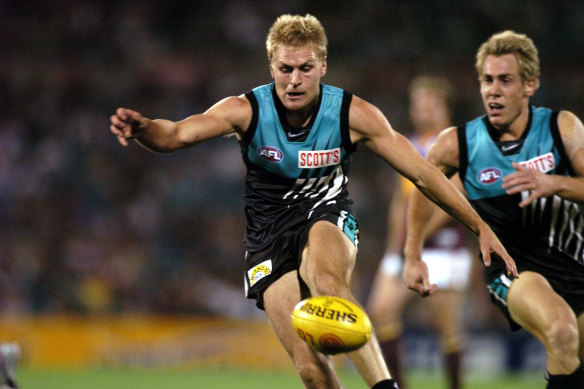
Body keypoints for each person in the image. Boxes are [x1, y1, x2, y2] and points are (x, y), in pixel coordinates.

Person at [110, 14, 517, 389]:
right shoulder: (246, 110)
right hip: (266, 236)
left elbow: (425, 174)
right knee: (310, 370)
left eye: (305, 68)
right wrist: (144, 128)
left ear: (323, 66)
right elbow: (176, 135)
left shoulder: (353, 114)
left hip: (327, 213)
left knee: (327, 280)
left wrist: (481, 227)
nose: (294, 80)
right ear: (272, 69)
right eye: (285, 69)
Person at [403, 30, 584, 389]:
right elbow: (422, 185)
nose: (492, 90)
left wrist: (554, 183)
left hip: (575, 266)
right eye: (487, 80)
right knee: (561, 330)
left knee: (570, 358)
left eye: (505, 80)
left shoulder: (561, 128)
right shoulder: (459, 144)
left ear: (529, 85)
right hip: (515, 271)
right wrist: (412, 254)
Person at [367, 76, 473, 389]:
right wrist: (393, 246)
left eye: (430, 104)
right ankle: (398, 385)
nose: (423, 110)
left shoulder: (455, 143)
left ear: (445, 108)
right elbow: (402, 200)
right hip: (405, 249)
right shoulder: (410, 144)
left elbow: (454, 198)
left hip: (444, 247)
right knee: (381, 311)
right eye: (418, 104)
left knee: (447, 328)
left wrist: (416, 236)